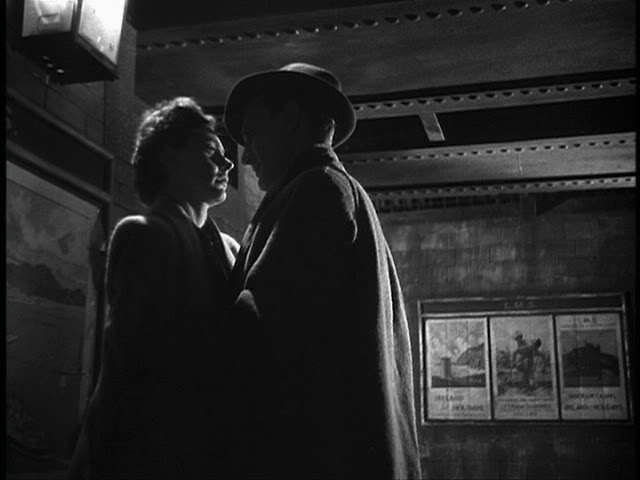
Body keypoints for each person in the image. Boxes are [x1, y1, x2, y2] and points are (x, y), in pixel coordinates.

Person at [222, 63, 422, 479]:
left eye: (252, 133)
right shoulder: (338, 190)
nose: (245, 155)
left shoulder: (317, 189)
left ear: (292, 118)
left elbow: (261, 331)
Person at [68, 97, 238, 479]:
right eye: (210, 152)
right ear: (168, 157)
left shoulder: (229, 248)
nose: (227, 164)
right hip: (154, 451)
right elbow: (124, 368)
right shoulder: (143, 234)